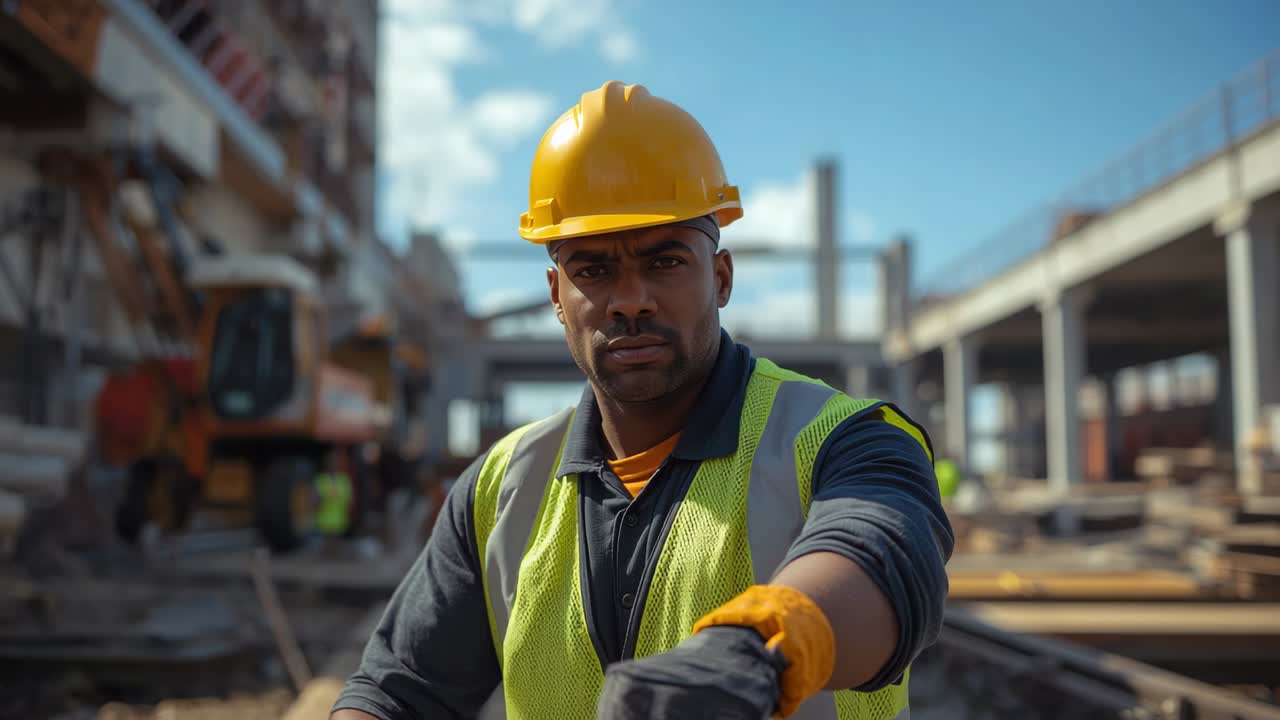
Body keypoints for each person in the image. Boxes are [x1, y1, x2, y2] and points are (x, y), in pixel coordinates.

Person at [331, 81, 953, 720]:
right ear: (555, 295)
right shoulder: (500, 489)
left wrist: (759, 649)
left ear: (721, 277)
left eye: (664, 262)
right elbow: (398, 691)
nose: (630, 299)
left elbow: (887, 558)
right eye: (592, 270)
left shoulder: (843, 439)